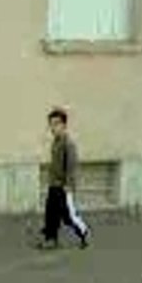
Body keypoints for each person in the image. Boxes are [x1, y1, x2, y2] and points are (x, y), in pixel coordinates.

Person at [37, 107, 89, 250]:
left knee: (68, 217)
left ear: (63, 125)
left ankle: (83, 232)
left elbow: (71, 166)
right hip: (54, 184)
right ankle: (51, 239)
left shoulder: (68, 144)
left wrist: (68, 185)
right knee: (50, 213)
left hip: (64, 187)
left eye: (56, 124)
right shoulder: (56, 142)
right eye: (51, 124)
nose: (53, 128)